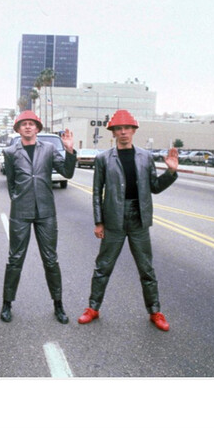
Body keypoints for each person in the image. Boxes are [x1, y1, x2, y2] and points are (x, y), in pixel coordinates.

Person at [78, 109, 179, 331]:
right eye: (119, 129)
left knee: (146, 269)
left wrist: (170, 173)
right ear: (113, 132)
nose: (123, 132)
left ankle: (155, 311)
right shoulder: (104, 159)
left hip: (138, 219)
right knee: (103, 267)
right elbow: (97, 193)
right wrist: (99, 222)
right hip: (113, 218)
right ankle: (93, 308)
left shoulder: (145, 157)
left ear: (134, 130)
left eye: (127, 128)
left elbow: (154, 187)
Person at [0, 111, 76, 324]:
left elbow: (67, 172)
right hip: (21, 212)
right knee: (15, 259)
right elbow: (11, 183)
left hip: (46, 211)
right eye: (23, 124)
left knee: (50, 259)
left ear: (37, 128)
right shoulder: (10, 152)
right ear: (18, 129)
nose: (27, 127)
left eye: (31, 124)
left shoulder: (49, 149)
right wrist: (18, 200)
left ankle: (58, 305)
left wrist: (69, 150)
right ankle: (7, 303)